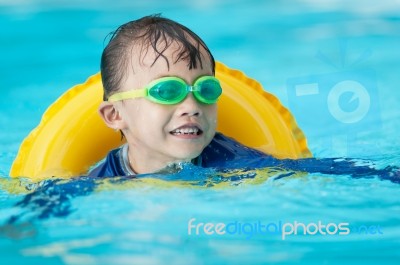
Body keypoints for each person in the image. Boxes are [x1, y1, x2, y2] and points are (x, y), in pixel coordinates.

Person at [89, 14, 267, 177]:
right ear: (115, 114)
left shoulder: (244, 166)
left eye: (205, 89)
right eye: (167, 91)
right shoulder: (96, 186)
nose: (192, 107)